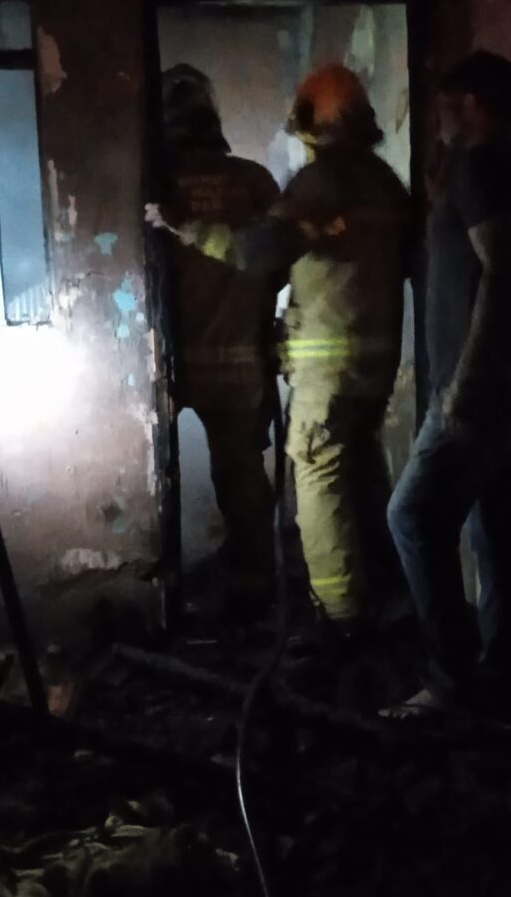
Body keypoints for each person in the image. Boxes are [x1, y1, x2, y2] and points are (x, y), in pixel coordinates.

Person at [151, 64, 415, 635]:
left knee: (317, 485)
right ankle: (359, 599)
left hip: (301, 366)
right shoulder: (384, 184)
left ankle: (337, 621)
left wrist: (187, 228)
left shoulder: (313, 184)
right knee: (345, 481)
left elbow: (259, 253)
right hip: (355, 365)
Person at [384, 50, 511, 718]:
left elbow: (501, 271)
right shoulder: (509, 168)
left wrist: (465, 386)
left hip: (482, 387)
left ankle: (450, 683)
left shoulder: (481, 167)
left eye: (449, 105)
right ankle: (502, 680)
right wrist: (436, 201)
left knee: (412, 517)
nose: (441, 118)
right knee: (496, 526)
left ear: (473, 104)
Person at [158, 65, 282, 623]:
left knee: (167, 478)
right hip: (242, 359)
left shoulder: (157, 184)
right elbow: (279, 260)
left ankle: (179, 586)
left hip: (169, 361)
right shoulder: (254, 181)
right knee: (240, 474)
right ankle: (255, 581)